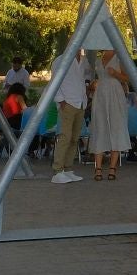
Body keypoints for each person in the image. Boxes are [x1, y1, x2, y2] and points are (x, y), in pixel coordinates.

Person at [85, 50, 130, 180]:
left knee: (116, 128)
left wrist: (115, 74)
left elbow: (128, 78)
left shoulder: (119, 57)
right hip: (100, 94)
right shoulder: (99, 59)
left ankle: (112, 168)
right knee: (99, 128)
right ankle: (98, 168)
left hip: (115, 93)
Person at [49, 48, 90, 184]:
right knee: (65, 137)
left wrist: (87, 87)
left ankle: (68, 168)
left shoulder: (83, 60)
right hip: (67, 103)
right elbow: (54, 81)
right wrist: (61, 100)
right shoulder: (60, 60)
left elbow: (87, 74)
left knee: (74, 138)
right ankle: (58, 170)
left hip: (80, 103)